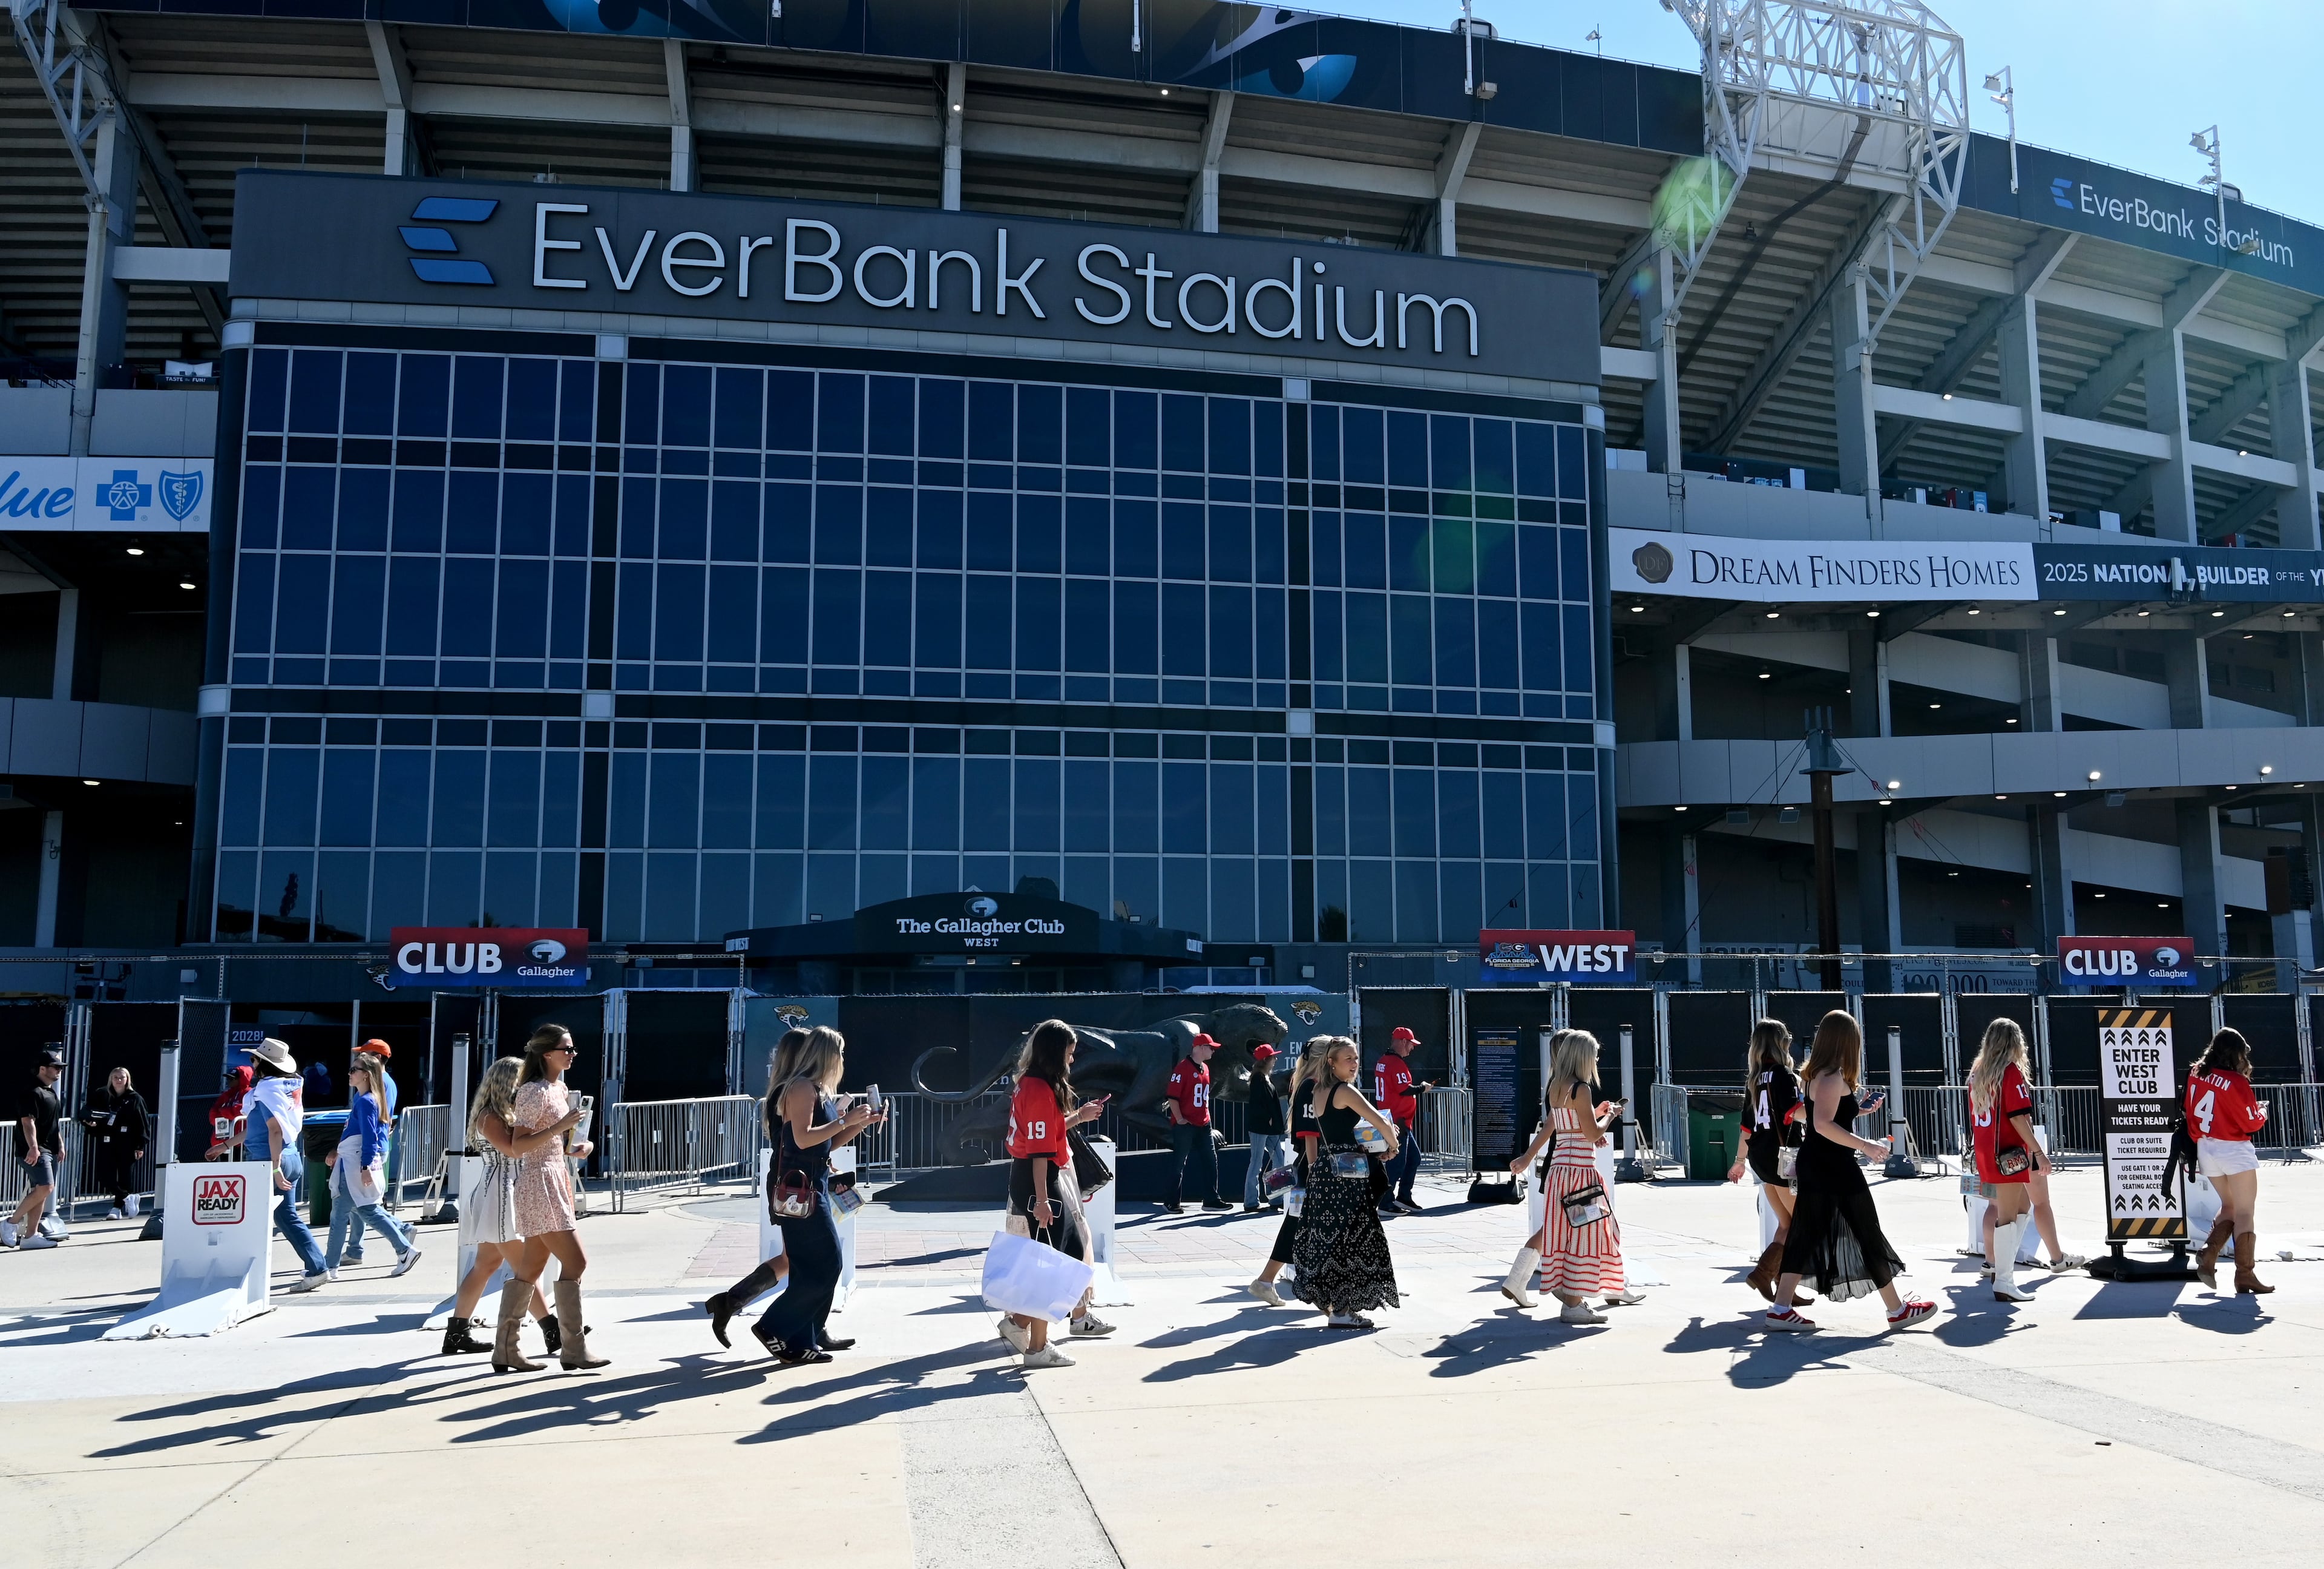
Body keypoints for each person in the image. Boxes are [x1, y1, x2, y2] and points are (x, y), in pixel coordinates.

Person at [1765, 1011, 1937, 1333]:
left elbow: (1820, 1115)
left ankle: (1780, 1308)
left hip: (1820, 1163)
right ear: (1847, 1042)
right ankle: (1897, 1310)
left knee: (1808, 1233)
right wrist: (1866, 1145)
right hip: (1834, 1166)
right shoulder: (1831, 1077)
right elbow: (1822, 1124)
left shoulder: (1816, 1075)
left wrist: (1858, 1109)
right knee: (1865, 1231)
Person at [755, 1026, 882, 1365]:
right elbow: (802, 1139)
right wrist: (845, 1121)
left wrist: (859, 1124)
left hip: (812, 1186)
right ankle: (774, 1327)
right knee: (828, 1263)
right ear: (827, 1055)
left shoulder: (813, 1089)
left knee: (809, 1266)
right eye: (839, 1053)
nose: (842, 1060)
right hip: (801, 1192)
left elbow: (824, 1143)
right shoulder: (801, 1088)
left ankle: (803, 1337)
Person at [997, 1019, 1115, 1369]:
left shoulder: (1031, 1084)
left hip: (1038, 1177)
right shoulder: (1037, 1088)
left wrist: (1077, 1117)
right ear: (1055, 1052)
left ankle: (1021, 1324)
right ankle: (1036, 1346)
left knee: (1057, 1261)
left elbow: (1043, 1135)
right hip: (1041, 1179)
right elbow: (1038, 1151)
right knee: (1054, 1264)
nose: (1072, 1061)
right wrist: (1043, 1199)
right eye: (1069, 1053)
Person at [1503, 1030, 1640, 1324]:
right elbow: (1592, 1134)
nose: (1596, 1059)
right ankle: (1575, 1303)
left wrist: (1528, 1156)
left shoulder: (1556, 1086)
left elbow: (1560, 1124)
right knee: (1589, 1232)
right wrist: (1611, 1115)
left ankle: (1579, 1294)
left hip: (1559, 1172)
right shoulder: (1582, 1089)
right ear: (1583, 1057)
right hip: (1581, 1172)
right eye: (1594, 1054)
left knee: (1563, 1233)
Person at [439, 1057, 570, 1361]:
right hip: (500, 1192)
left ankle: (456, 1333)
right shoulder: (490, 1116)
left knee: (486, 1265)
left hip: (504, 1189)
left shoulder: (505, 1113)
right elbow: (512, 1150)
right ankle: (552, 1328)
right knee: (525, 1266)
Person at [504, 1024, 609, 1370]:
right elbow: (518, 1146)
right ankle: (573, 1348)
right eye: (567, 1049)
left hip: (553, 1176)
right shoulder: (532, 1091)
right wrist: (560, 1128)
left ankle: (507, 1349)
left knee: (531, 1269)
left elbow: (553, 1141)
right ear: (547, 1053)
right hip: (538, 1183)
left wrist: (575, 1147)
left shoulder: (559, 1088)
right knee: (576, 1262)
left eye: (573, 1048)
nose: (572, 1054)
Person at [704, 1027, 808, 1348]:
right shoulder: (792, 1092)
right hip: (791, 1182)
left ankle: (731, 1302)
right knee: (801, 1259)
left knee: (795, 1258)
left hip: (789, 1179)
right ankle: (734, 1303)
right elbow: (796, 1140)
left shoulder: (784, 1090)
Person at [1292, 1036, 1401, 1329]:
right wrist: (1393, 1146)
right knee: (1354, 1240)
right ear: (1332, 1063)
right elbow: (1381, 1121)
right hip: (1347, 1175)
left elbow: (1331, 1132)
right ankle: (1342, 1311)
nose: (1354, 1064)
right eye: (1348, 1059)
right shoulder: (1345, 1091)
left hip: (1327, 1170)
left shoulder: (1318, 1090)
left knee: (1333, 1240)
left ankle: (1337, 1306)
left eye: (1355, 1058)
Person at [1725, 1019, 1808, 1301]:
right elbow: (1794, 1113)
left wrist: (1739, 1161)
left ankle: (1781, 1284)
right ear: (1781, 1042)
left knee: (1786, 1224)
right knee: (1801, 1224)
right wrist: (1831, 1113)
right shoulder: (1784, 1075)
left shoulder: (1755, 1079)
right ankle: (1765, 1274)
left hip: (1762, 1160)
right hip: (1785, 1160)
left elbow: (1746, 1128)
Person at [1966, 1018, 2047, 1304]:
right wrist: (2038, 1152)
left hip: (1988, 1152)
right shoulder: (2009, 1072)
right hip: (2009, 1154)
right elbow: (2018, 1117)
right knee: (2008, 1216)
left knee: (2021, 1206)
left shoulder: (1979, 1072)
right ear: (2015, 1042)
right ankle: (2004, 1280)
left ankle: (2003, 1269)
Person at [2186, 1027, 2273, 1295]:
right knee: (2245, 1212)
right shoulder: (2236, 1082)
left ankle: (2209, 1254)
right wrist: (2263, 1112)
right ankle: (2245, 1274)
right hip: (2233, 1149)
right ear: (2235, 1053)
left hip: (2205, 1146)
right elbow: (2250, 1122)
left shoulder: (2197, 1073)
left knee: (2229, 1206)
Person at [323, 1056, 423, 1279]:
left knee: (359, 1211)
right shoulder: (364, 1100)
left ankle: (404, 1249)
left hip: (356, 1164)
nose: (349, 1073)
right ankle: (330, 1266)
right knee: (352, 1211)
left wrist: (366, 1165)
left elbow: (370, 1138)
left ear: (366, 1074)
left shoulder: (366, 1101)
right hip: (354, 1161)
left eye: (354, 1070)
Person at [1247, 1037, 1330, 1306]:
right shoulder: (1310, 1085)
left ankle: (1267, 1280)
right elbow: (1310, 1134)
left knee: (1298, 1223)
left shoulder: (1305, 1083)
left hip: (1309, 1165)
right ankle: (1279, 1282)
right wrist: (1317, 1170)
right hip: (1311, 1167)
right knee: (1302, 1224)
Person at [242, 1038, 329, 1289]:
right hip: (288, 1155)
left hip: (269, 1161)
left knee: (254, 1218)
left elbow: (274, 1131)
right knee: (286, 1217)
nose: (252, 1063)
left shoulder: (266, 1090)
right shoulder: (284, 1088)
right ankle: (317, 1266)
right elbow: (264, 1128)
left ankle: (248, 1274)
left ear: (263, 1064)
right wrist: (225, 1145)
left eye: (254, 1059)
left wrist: (275, 1168)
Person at [340, 1041, 398, 1265]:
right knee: (361, 1203)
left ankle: (400, 1233)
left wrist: (365, 1163)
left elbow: (371, 1124)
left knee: (364, 1203)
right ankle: (355, 1248)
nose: (353, 1070)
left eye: (364, 1056)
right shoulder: (385, 1083)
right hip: (371, 1147)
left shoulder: (378, 1086)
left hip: (367, 1148)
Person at [4, 1048, 67, 1251]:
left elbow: (51, 1123)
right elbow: (28, 1122)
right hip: (35, 1150)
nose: (59, 1071)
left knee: (41, 1191)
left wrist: (61, 1144)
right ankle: (10, 1223)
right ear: (42, 1069)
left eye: (60, 1068)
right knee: (46, 1187)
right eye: (55, 1068)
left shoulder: (50, 1092)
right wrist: (33, 1147)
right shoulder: (32, 1092)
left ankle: (31, 1236)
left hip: (49, 1149)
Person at [1163, 1033, 1228, 1212]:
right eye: (1210, 1047)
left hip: (1204, 1123)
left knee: (1210, 1160)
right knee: (1179, 1163)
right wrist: (1181, 1119)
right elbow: (1172, 1097)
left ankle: (1211, 1199)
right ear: (1199, 1048)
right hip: (1186, 1124)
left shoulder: (1205, 1068)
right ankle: (1172, 1201)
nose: (1213, 1051)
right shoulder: (1182, 1069)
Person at [1372, 1026, 1431, 1214]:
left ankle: (1404, 1197)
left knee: (1414, 1158)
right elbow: (1404, 1089)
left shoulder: (1383, 1060)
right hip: (1398, 1121)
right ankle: (1386, 1202)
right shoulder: (1395, 1063)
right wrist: (1422, 1088)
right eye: (1410, 1044)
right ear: (1403, 1042)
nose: (1412, 1048)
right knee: (1396, 1164)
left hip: (1397, 1120)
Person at [81, 1067, 149, 1219]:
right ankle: (127, 1198)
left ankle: (117, 1208)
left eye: (122, 1078)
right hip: (106, 1139)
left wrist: (140, 1145)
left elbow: (142, 1122)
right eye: (115, 1077)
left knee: (125, 1175)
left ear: (127, 1080)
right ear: (111, 1079)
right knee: (103, 1174)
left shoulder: (134, 1098)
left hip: (127, 1142)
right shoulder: (102, 1094)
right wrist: (89, 1122)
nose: (118, 1081)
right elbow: (87, 1112)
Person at [1241, 1042, 1288, 1212]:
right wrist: (1268, 1119)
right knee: (1256, 1163)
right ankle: (1251, 1201)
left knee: (1279, 1160)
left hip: (1271, 1129)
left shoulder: (1265, 1078)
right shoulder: (1257, 1080)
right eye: (1273, 1057)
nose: (1275, 1059)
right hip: (1260, 1128)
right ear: (1266, 1060)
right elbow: (1258, 1106)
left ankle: (1277, 1198)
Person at [205, 1065, 253, 1159]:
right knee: (223, 1170)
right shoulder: (227, 1095)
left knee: (238, 1168)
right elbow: (213, 1114)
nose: (229, 1081)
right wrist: (226, 1113)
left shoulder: (249, 1093)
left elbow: (242, 1111)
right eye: (229, 1079)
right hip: (222, 1138)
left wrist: (224, 1112)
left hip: (239, 1142)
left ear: (241, 1079)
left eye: (232, 1079)